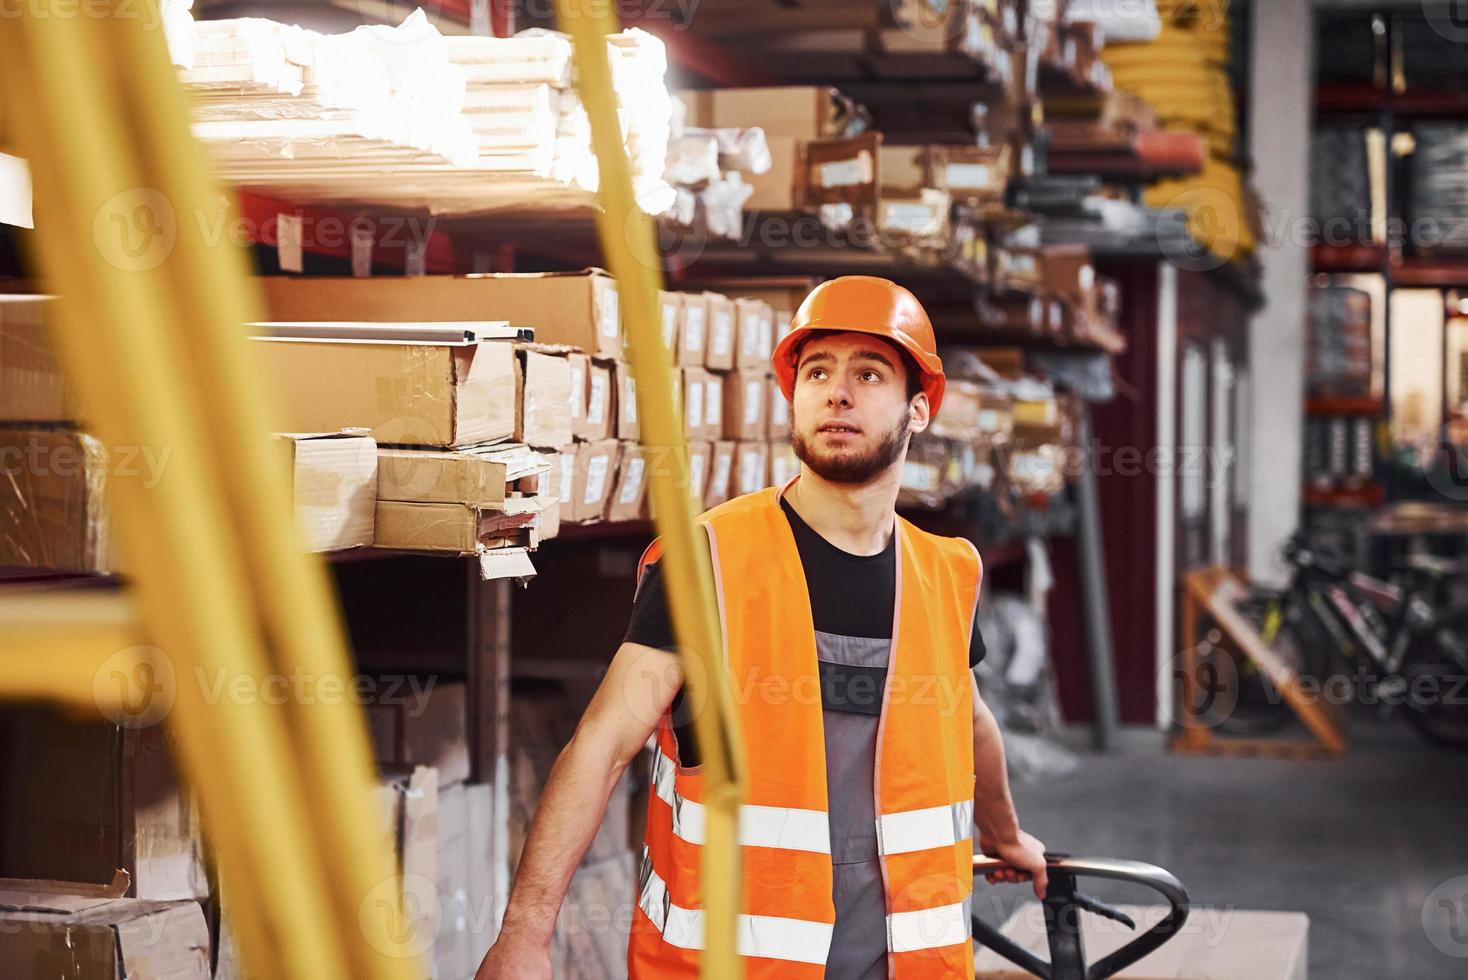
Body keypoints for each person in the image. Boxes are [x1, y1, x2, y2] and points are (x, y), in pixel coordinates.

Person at [477, 276, 1048, 980]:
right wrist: (525, 937)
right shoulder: (710, 562)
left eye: (868, 373)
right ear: (793, 396)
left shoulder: (945, 574)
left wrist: (1006, 834)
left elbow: (970, 721)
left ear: (920, 408)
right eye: (817, 372)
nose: (837, 393)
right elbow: (599, 747)